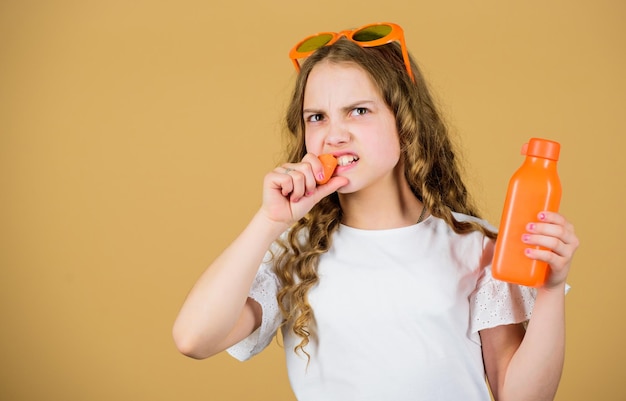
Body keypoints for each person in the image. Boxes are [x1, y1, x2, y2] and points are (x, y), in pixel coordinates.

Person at [172, 22, 579, 401]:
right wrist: (270, 222)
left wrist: (548, 290)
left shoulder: (476, 246)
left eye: (359, 111)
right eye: (317, 117)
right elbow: (194, 339)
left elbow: (523, 395)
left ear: (405, 122)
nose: (335, 134)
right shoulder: (295, 252)